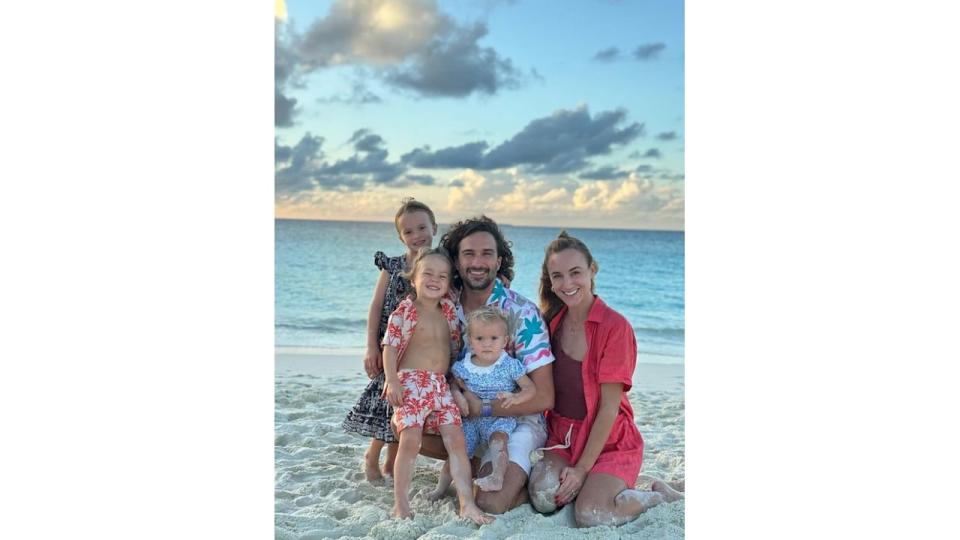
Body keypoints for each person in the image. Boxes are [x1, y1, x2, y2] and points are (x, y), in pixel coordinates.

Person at [526, 231, 684, 527]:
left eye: (576, 273)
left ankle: (658, 495)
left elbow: (609, 409)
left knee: (590, 514)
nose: (567, 284)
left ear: (592, 271)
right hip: (562, 436)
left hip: (609, 439)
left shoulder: (615, 327)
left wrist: (582, 469)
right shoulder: (551, 323)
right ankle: (605, 484)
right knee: (544, 497)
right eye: (557, 276)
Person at [420, 215, 556, 515]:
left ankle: (520, 479)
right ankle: (474, 461)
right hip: (462, 417)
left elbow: (544, 397)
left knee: (488, 502)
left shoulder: (522, 313)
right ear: (455, 261)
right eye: (468, 253)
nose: (477, 262)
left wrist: (483, 407)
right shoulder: (441, 305)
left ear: (499, 261)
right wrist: (458, 392)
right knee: (404, 424)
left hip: (514, 420)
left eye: (487, 253)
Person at [381, 247, 493, 525]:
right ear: (414, 278)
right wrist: (392, 380)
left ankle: (467, 502)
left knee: (457, 440)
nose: (435, 279)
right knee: (410, 439)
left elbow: (453, 352)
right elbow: (390, 347)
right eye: (428, 273)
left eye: (442, 276)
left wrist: (457, 387)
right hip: (411, 382)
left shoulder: (449, 312)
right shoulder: (405, 310)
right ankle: (401, 504)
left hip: (440, 386)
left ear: (449, 282)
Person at [342, 198, 438, 482]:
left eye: (422, 227)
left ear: (434, 227)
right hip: (391, 348)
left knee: (405, 406)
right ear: (400, 237)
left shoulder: (438, 264)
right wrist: (371, 346)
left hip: (419, 351)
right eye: (408, 232)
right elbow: (375, 306)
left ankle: (391, 463)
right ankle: (373, 455)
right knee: (389, 403)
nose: (417, 235)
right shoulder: (392, 266)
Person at [427, 306, 536, 500]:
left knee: (498, 442)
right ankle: (441, 488)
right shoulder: (463, 366)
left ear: (505, 340)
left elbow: (530, 388)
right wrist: (457, 395)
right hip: (471, 420)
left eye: (494, 338)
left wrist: (516, 397)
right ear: (470, 341)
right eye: (480, 339)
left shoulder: (509, 365)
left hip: (499, 418)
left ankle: (497, 476)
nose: (487, 344)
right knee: (458, 451)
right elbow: (454, 384)